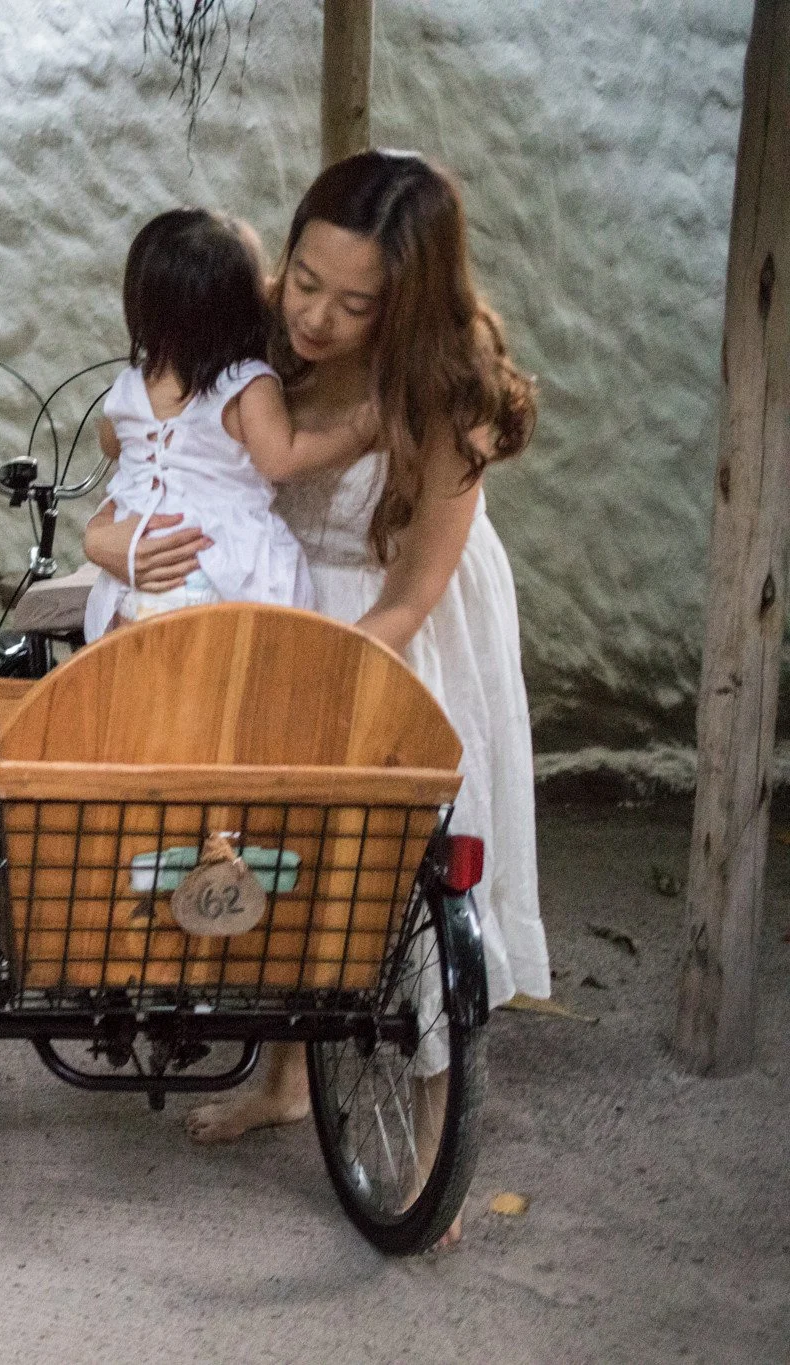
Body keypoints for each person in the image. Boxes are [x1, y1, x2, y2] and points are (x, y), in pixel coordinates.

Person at [87, 152, 547, 1240]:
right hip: (271, 607)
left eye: (355, 304)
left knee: (400, 872)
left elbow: (412, 596)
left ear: (409, 302)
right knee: (288, 859)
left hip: (393, 630)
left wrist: (313, 676)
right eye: (301, 280)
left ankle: (430, 1127)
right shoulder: (243, 328)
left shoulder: (450, 394)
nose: (312, 318)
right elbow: (150, 454)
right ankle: (287, 1077)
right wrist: (117, 544)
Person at [80, 209, 372, 637]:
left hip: (141, 573)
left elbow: (112, 443)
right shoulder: (245, 385)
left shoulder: (130, 387)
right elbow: (281, 459)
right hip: (218, 570)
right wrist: (361, 430)